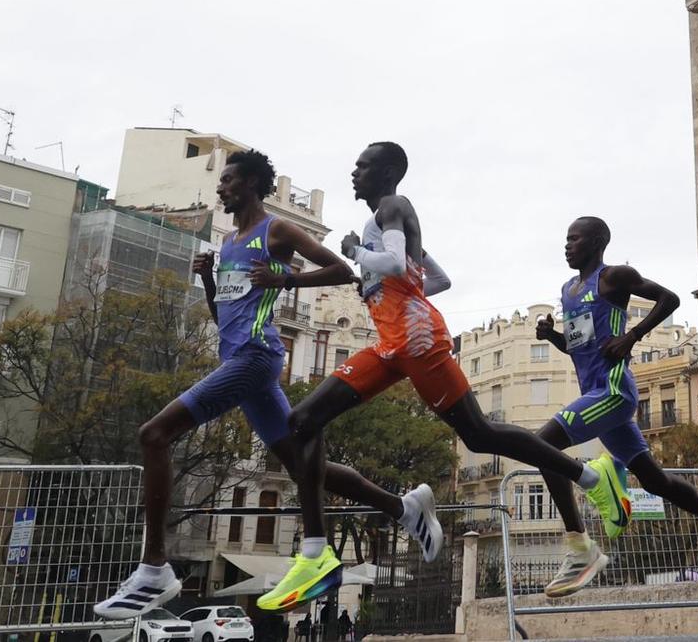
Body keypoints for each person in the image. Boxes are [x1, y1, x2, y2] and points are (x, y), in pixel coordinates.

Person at [261, 142, 625, 612]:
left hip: (416, 339)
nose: (354, 172)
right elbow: (437, 279)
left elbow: (392, 264)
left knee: (478, 434)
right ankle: (331, 544)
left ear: (388, 172)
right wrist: (395, 282)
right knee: (303, 420)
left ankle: (589, 476)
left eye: (364, 166)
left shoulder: (393, 206)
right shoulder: (386, 218)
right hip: (391, 344)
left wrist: (356, 253)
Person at [96, 150, 442, 618]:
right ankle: (403, 507)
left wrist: (285, 278)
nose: (222, 188)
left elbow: (341, 270)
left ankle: (155, 567)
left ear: (254, 186)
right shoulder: (230, 245)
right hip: (239, 355)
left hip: (258, 358)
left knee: (153, 434)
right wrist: (210, 284)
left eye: (230, 181)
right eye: (221, 182)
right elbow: (227, 322)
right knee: (303, 466)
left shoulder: (274, 230)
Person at [531, 217, 698, 596]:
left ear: (596, 242)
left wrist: (633, 336)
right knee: (656, 481)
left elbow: (669, 298)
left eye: (574, 239)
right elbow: (581, 346)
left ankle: (580, 546)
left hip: (612, 393)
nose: (567, 245)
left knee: (542, 445)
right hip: (595, 395)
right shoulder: (569, 290)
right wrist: (552, 337)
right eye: (566, 239)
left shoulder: (614, 278)